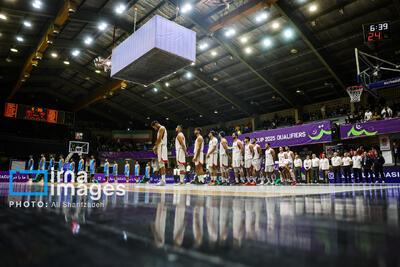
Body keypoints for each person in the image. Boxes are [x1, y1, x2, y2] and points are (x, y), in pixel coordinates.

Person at [151, 121, 168, 186]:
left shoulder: (161, 128)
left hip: (162, 146)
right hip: (160, 147)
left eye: (154, 127)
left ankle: (163, 180)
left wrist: (155, 147)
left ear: (156, 124)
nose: (154, 128)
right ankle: (163, 180)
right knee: (161, 163)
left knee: (161, 163)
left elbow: (159, 139)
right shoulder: (161, 129)